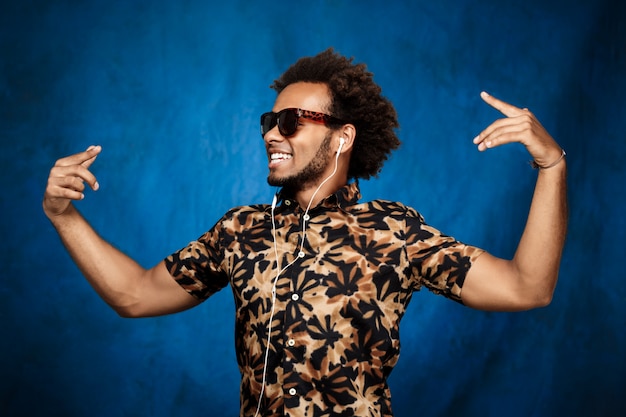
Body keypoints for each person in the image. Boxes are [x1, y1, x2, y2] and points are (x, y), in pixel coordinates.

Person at [43, 48, 567, 417]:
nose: (273, 131)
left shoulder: (393, 231)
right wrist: (64, 216)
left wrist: (551, 168)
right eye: (269, 120)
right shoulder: (239, 232)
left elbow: (527, 287)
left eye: (292, 120)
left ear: (342, 138)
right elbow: (134, 295)